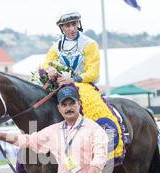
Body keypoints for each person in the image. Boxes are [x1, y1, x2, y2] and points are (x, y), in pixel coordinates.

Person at [40, 11, 124, 161]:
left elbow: (93, 72)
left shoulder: (90, 44)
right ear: (62, 28)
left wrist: (72, 79)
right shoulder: (57, 46)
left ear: (78, 24)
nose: (72, 28)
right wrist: (50, 70)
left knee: (90, 106)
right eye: (67, 26)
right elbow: (47, 63)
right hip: (59, 84)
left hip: (83, 85)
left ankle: (99, 146)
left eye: (74, 24)